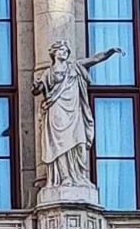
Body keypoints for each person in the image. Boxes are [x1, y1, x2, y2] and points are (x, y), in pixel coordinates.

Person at [32, 40, 121, 189]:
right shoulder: (48, 72)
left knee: (80, 143)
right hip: (57, 110)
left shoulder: (74, 66)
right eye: (61, 50)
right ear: (54, 53)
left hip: (74, 111)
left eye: (66, 50)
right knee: (60, 145)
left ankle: (79, 176)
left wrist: (109, 52)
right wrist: (36, 86)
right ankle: (65, 177)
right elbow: (37, 90)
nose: (64, 52)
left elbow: (95, 59)